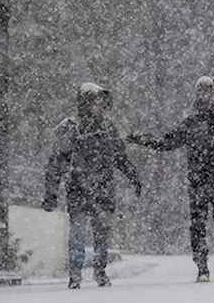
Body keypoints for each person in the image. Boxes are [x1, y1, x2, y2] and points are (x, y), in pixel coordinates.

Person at [128, 75, 214, 282]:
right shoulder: (193, 122)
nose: (202, 97)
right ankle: (202, 265)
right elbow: (166, 142)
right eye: (199, 92)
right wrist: (142, 139)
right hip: (199, 182)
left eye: (207, 93)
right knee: (198, 225)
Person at [42, 81, 142, 289]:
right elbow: (57, 162)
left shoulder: (107, 127)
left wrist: (133, 176)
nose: (99, 105)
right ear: (85, 102)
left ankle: (100, 271)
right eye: (95, 100)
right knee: (78, 234)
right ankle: (75, 274)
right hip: (79, 190)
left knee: (101, 233)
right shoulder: (70, 128)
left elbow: (120, 157)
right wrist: (51, 192)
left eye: (101, 101)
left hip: (103, 190)